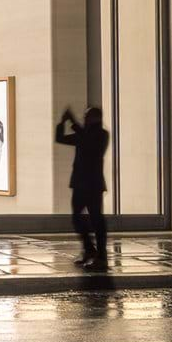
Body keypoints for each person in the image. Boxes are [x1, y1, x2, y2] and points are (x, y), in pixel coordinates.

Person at [56, 106, 110, 271]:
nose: (84, 119)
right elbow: (60, 139)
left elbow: (88, 142)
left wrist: (72, 120)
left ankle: (101, 256)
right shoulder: (83, 134)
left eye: (87, 117)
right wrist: (62, 123)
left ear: (95, 119)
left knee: (96, 219)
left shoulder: (101, 135)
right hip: (80, 183)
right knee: (76, 218)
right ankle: (89, 250)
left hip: (93, 184)